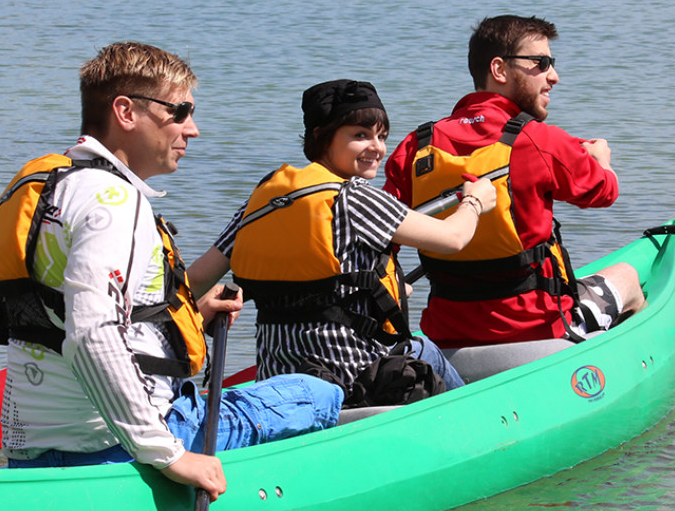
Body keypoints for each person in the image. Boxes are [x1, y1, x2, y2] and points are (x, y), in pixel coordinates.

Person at [0, 42, 342, 501]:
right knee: (314, 394)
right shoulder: (114, 204)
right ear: (125, 112)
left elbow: (75, 309)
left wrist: (189, 313)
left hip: (33, 449)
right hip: (117, 448)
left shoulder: (54, 189)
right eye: (179, 111)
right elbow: (93, 333)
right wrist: (169, 455)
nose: (192, 129)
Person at [188, 79, 497, 403]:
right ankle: (488, 426)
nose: (376, 147)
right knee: (423, 348)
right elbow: (453, 237)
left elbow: (196, 278)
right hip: (356, 380)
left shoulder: (262, 199)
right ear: (321, 136)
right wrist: (474, 202)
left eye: (381, 136)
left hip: (278, 377)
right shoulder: (353, 197)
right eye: (360, 135)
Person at [383, 15, 646, 348]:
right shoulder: (541, 141)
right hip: (538, 330)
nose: (553, 76)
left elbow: (382, 238)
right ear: (499, 70)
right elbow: (604, 192)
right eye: (541, 63)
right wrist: (601, 160)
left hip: (445, 332)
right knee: (628, 278)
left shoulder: (415, 147)